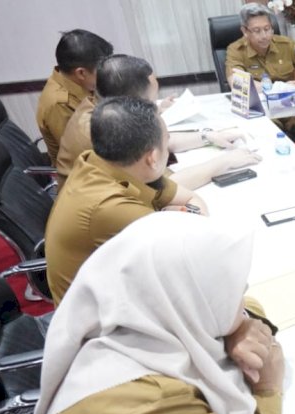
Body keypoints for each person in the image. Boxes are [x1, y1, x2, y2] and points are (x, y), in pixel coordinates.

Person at [34, 212, 283, 414]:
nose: (242, 295)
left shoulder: (148, 318)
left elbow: (249, 306)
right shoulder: (145, 407)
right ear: (190, 300)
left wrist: (237, 328)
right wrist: (267, 392)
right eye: (233, 290)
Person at [45, 96, 208, 305]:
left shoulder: (101, 161)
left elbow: (188, 197)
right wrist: (188, 215)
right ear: (152, 157)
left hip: (121, 290)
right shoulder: (109, 207)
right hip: (101, 325)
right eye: (166, 143)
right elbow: (197, 250)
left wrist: (185, 216)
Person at [57, 54, 261, 188]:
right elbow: (164, 186)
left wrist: (207, 136)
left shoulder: (103, 107)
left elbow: (162, 140)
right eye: (151, 99)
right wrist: (226, 161)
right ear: (133, 101)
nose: (154, 105)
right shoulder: (105, 127)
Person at [225, 3, 295, 150]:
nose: (265, 36)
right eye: (257, 31)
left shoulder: (286, 45)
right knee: (268, 141)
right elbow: (237, 83)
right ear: (245, 31)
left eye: (267, 29)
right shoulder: (236, 50)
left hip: (292, 111)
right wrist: (280, 88)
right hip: (264, 114)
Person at [36, 29, 113, 162]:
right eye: (102, 70)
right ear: (81, 73)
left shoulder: (79, 83)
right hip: (82, 172)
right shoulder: (58, 104)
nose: (106, 74)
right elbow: (81, 154)